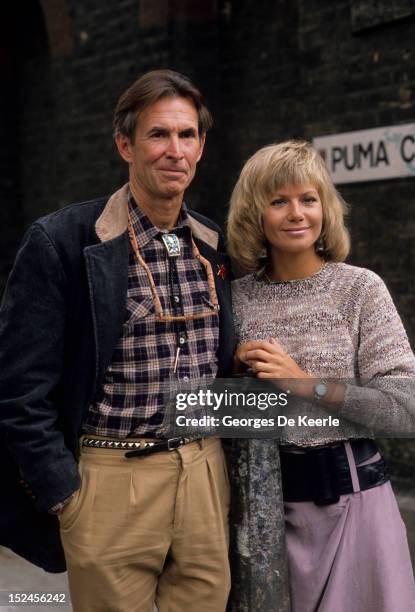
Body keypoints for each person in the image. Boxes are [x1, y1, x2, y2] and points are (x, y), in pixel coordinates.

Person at [0, 69, 235, 612]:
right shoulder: (62, 241)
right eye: (158, 134)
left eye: (187, 135)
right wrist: (65, 493)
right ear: (125, 144)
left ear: (200, 146)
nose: (175, 150)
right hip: (109, 481)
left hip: (203, 475)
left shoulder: (214, 245)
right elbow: (20, 387)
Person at [227, 140, 415, 612]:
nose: (296, 213)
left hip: (354, 506)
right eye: (278, 201)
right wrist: (232, 374)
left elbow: (404, 407)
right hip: (264, 514)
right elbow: (216, 416)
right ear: (255, 214)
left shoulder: (360, 289)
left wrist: (304, 382)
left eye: (308, 199)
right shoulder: (232, 298)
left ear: (325, 209)